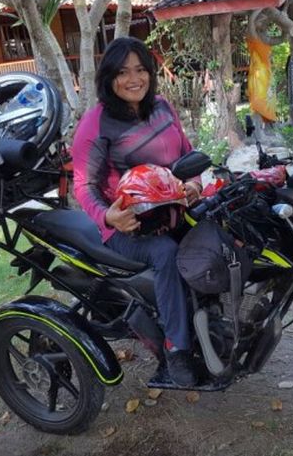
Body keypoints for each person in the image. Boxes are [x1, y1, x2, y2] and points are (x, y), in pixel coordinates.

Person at [71, 37, 201, 387]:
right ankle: (176, 348)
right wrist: (109, 217)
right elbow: (83, 185)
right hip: (128, 226)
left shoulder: (162, 107)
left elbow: (187, 155)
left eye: (141, 70)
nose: (134, 79)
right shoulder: (96, 123)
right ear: (109, 77)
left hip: (175, 209)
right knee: (167, 253)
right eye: (123, 72)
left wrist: (194, 183)